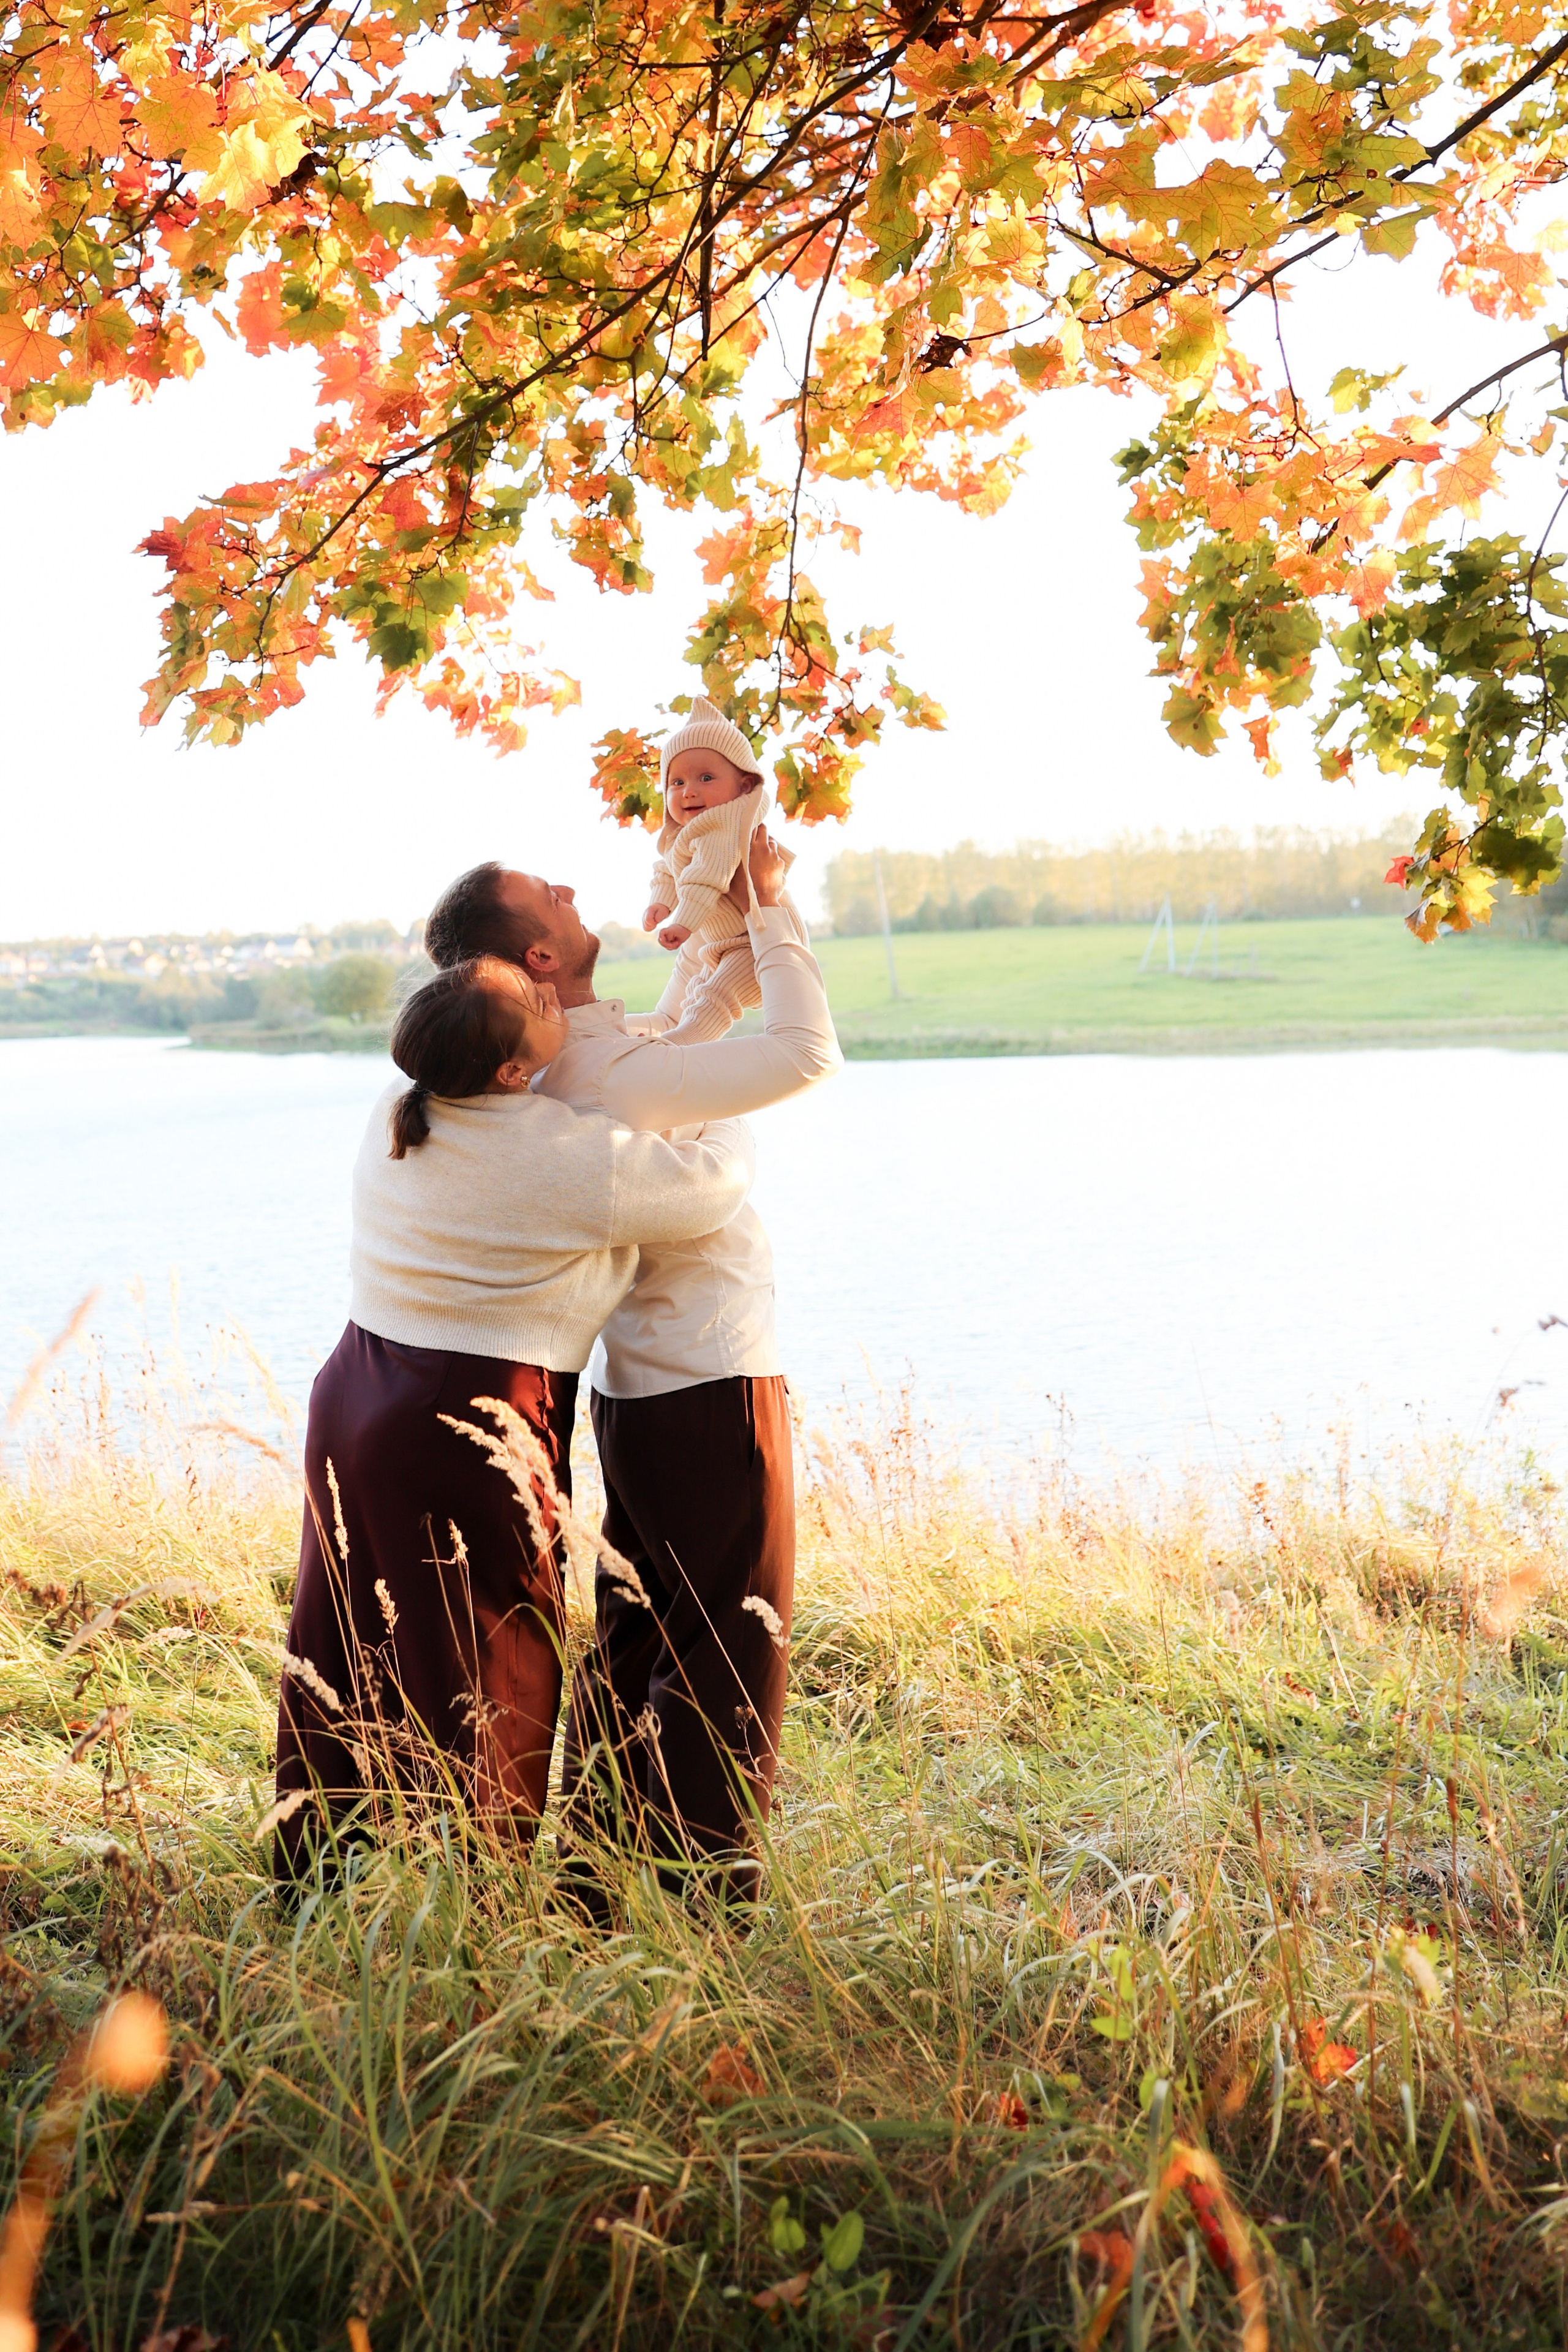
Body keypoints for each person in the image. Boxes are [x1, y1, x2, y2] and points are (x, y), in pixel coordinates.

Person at [422, 786, 839, 1904]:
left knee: (638, 1654)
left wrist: (739, 910)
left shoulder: (566, 1055)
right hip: (712, 1381)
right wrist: (778, 917)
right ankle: (703, 1909)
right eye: (545, 896)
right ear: (543, 957)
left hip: (639, 1395)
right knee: (725, 1662)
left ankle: (597, 1891)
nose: (568, 884)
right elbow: (805, 1053)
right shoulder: (603, 1074)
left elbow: (688, 1020)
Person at [273, 952, 756, 1890]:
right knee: (494, 1652)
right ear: (507, 1071)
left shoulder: (399, 1107)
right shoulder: (554, 1153)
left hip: (355, 1389)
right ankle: (473, 1894)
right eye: (535, 1001)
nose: (552, 999)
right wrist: (725, 1094)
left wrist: (692, 1020)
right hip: (468, 1413)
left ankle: (324, 1868)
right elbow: (710, 1187)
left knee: (343, 1632)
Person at [641, 696, 794, 1044]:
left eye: (706, 778)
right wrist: (660, 903)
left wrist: (683, 922)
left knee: (715, 998)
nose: (689, 790)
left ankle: (675, 1048)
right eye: (676, 783)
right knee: (700, 992)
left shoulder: (724, 826)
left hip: (757, 944)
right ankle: (678, 1046)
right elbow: (668, 870)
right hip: (725, 946)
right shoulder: (684, 836)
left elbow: (706, 877)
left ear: (744, 786)